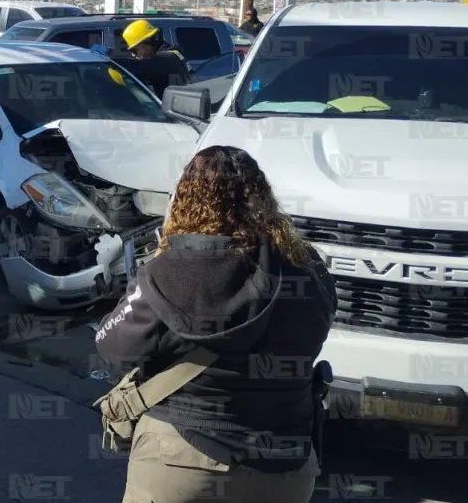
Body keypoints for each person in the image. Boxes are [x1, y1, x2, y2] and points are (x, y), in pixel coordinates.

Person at [95, 145, 337, 503]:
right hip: (286, 468)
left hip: (182, 462)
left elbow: (112, 346)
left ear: (186, 198)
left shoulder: (170, 271)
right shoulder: (309, 268)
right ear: (263, 199)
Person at [117, 18, 190, 99]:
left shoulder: (164, 59)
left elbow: (133, 68)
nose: (133, 55)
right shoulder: (173, 53)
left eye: (134, 50)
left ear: (146, 46)